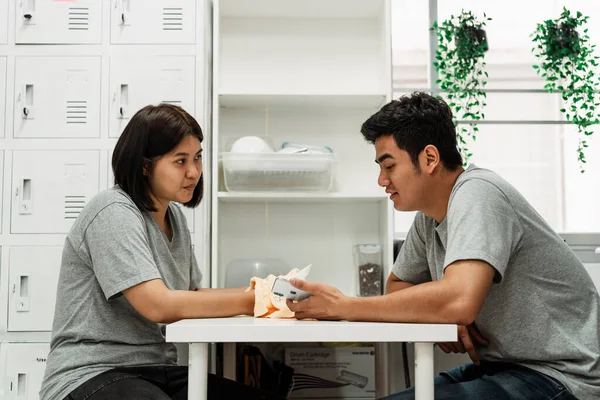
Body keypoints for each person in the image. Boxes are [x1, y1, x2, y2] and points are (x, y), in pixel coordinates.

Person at [286, 92, 600, 400]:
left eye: (389, 166)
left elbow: (459, 300)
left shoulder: (479, 194)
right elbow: (398, 286)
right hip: (503, 367)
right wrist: (446, 312)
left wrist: (343, 306)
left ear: (430, 158)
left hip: (561, 378)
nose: (382, 180)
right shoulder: (429, 216)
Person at [40, 104, 281, 400]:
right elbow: (158, 305)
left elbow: (192, 295)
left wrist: (268, 293)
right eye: (180, 161)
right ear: (145, 166)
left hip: (155, 370)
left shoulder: (174, 219)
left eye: (198, 158)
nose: (193, 172)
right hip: (93, 373)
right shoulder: (112, 211)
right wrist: (254, 301)